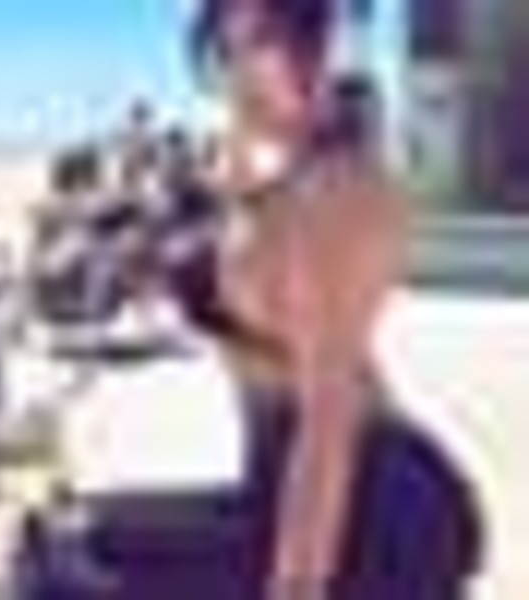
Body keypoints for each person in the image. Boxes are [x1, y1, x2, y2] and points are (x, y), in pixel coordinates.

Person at [190, 0, 483, 598]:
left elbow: (329, 417)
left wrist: (298, 585)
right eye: (227, 51)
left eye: (263, 43)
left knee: (63, 569)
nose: (241, 74)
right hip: (285, 488)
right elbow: (238, 215)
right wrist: (244, 128)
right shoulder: (282, 179)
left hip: (374, 511)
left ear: (318, 47)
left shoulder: (339, 195)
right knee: (64, 545)